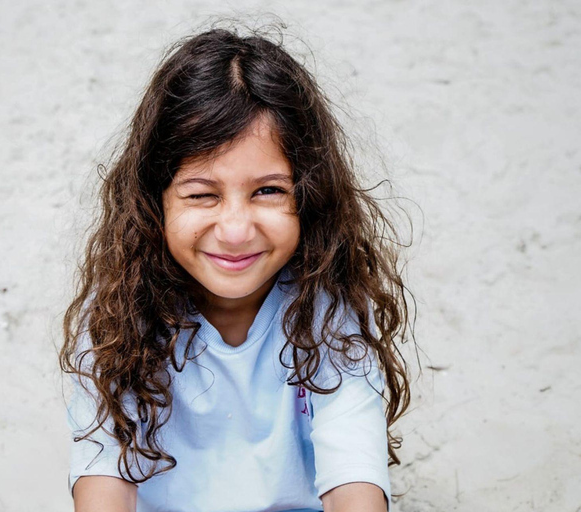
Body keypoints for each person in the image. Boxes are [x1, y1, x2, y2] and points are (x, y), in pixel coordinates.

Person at [60, 25, 413, 512]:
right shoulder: (117, 317)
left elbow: (354, 472)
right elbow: (103, 476)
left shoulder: (331, 308)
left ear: (309, 195)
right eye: (202, 194)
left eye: (268, 190)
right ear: (152, 201)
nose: (234, 229)